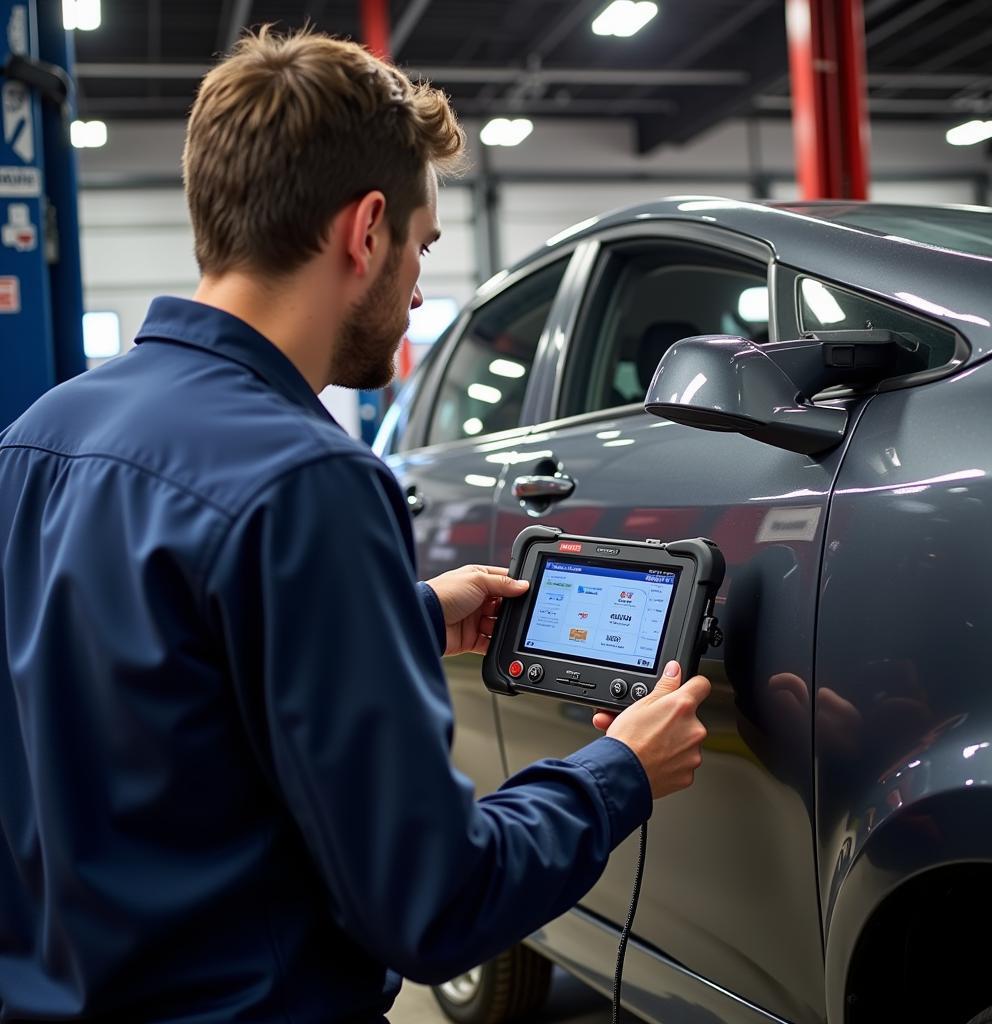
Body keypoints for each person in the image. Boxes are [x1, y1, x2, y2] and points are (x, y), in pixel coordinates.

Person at [0, 27, 711, 1023]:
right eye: (421, 246)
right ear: (365, 228)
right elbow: (433, 902)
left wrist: (405, 617)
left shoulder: (35, 439)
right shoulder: (307, 481)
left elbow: (156, 688)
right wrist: (618, 773)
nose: (419, 290)